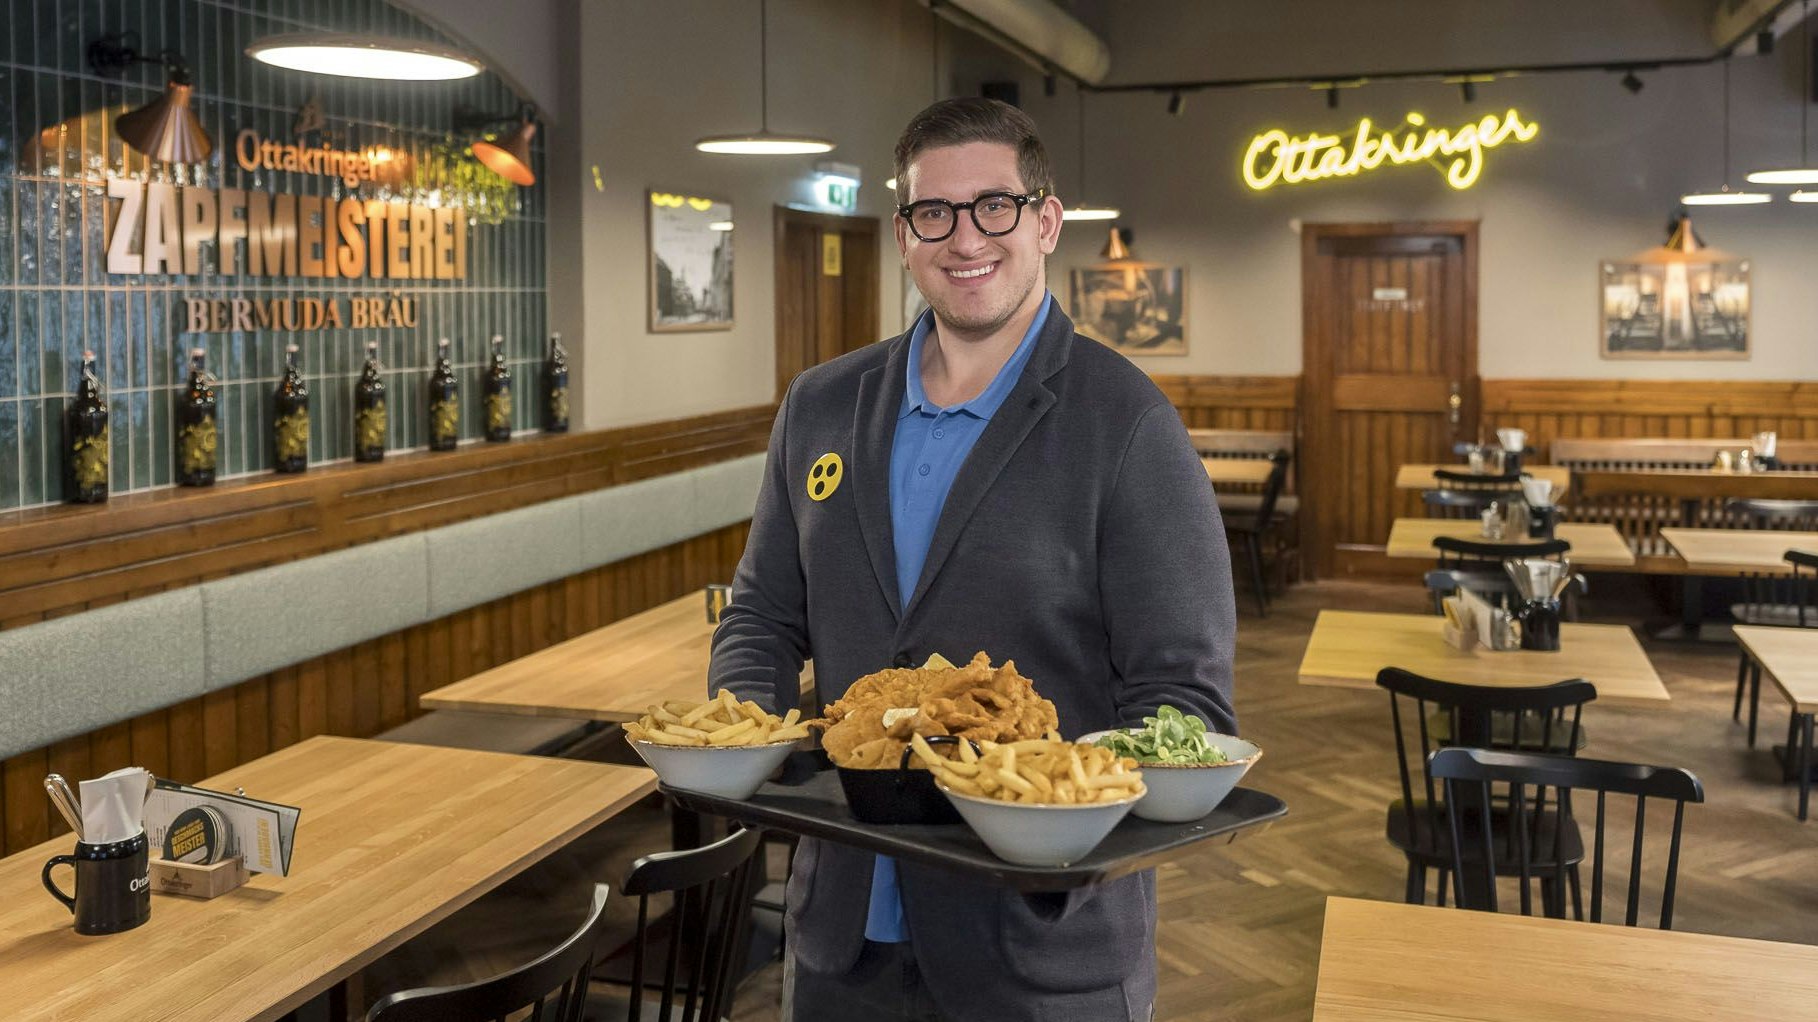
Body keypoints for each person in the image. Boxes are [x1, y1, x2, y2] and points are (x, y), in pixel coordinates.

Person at [709, 97, 1236, 1022]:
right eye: (934, 213)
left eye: (995, 205)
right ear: (905, 234)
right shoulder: (820, 407)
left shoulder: (1129, 425)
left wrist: (1048, 824)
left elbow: (1181, 697)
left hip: (1040, 946)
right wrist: (739, 746)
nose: (965, 238)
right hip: (845, 939)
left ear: (1045, 221)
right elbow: (759, 617)